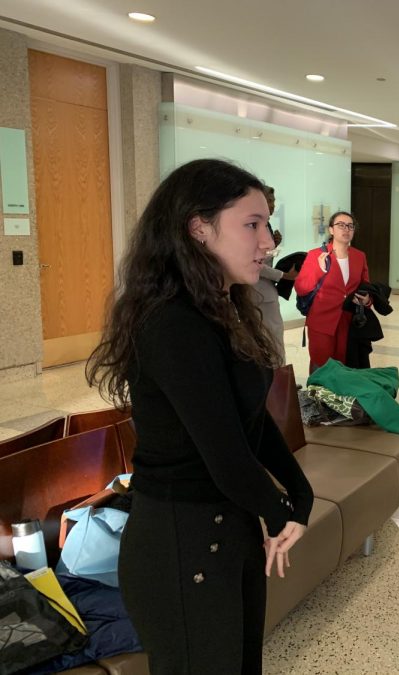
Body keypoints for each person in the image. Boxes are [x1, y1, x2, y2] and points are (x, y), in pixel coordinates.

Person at [86, 159, 314, 674]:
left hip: (229, 528)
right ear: (199, 229)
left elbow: (249, 424)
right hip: (180, 541)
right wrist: (278, 513)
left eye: (267, 226)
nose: (268, 243)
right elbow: (226, 455)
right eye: (251, 225)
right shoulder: (171, 324)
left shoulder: (225, 308)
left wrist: (299, 496)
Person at [295, 211, 370, 373]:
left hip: (348, 321)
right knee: (321, 365)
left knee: (343, 366)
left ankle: (338, 398)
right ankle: (318, 397)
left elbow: (366, 287)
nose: (346, 229)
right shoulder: (316, 255)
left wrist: (367, 300)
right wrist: (319, 270)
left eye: (350, 226)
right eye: (341, 225)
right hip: (321, 321)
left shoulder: (359, 256)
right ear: (331, 230)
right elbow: (301, 288)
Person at [251, 185, 297, 365]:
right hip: (258, 292)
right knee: (270, 338)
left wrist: (274, 244)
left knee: (273, 337)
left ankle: (276, 377)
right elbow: (255, 262)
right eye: (269, 201)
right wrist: (284, 275)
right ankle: (277, 379)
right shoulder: (253, 227)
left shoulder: (266, 225)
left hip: (265, 291)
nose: (272, 205)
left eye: (273, 201)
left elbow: (263, 255)